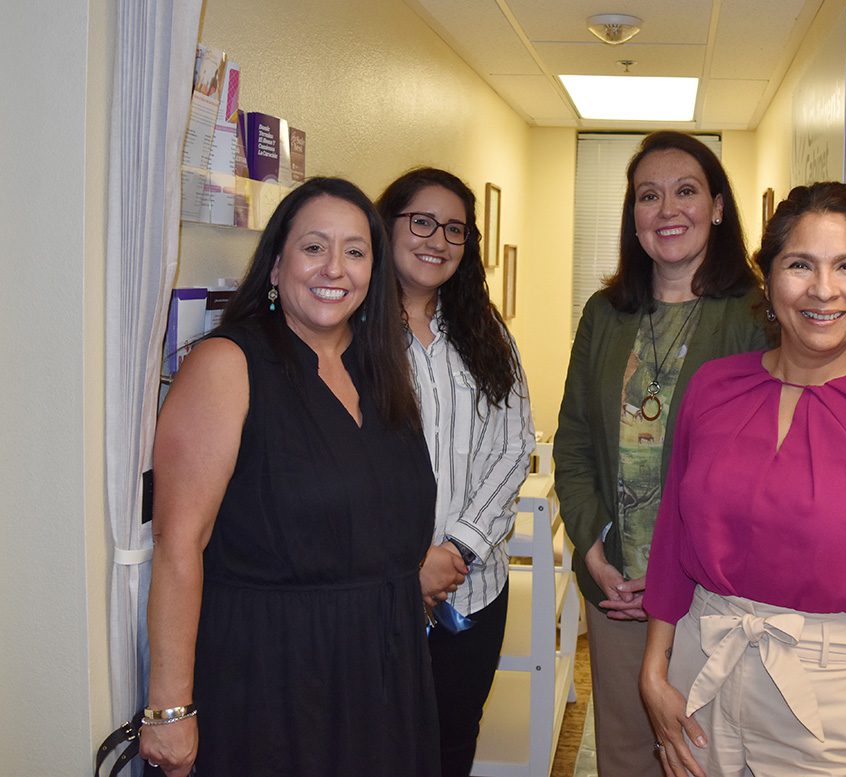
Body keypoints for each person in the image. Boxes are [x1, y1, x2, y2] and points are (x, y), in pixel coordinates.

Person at [639, 182, 846, 777]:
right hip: (703, 664)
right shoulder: (712, 387)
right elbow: (673, 537)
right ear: (769, 278)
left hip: (830, 692)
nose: (823, 290)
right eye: (800, 264)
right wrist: (654, 670)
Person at [141, 177, 439, 776]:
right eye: (314, 247)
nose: (335, 268)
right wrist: (170, 709)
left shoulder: (380, 369)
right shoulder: (226, 364)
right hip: (271, 678)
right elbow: (179, 543)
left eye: (355, 251)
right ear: (276, 266)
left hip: (385, 671)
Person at [555, 131, 768, 775]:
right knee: (627, 752)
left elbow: (758, 466)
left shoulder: (755, 315)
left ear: (719, 207)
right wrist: (593, 548)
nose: (667, 209)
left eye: (686, 191)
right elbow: (574, 439)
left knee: (702, 755)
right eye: (649, 196)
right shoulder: (604, 313)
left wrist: (675, 571)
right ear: (633, 215)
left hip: (709, 594)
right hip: (618, 586)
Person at [377, 167, 534, 776]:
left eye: (454, 229)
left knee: (452, 740)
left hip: (473, 590)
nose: (437, 240)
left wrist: (457, 549)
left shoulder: (485, 333)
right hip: (378, 591)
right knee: (374, 745)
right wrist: (411, 564)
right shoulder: (352, 333)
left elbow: (514, 445)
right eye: (422, 222)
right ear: (387, 225)